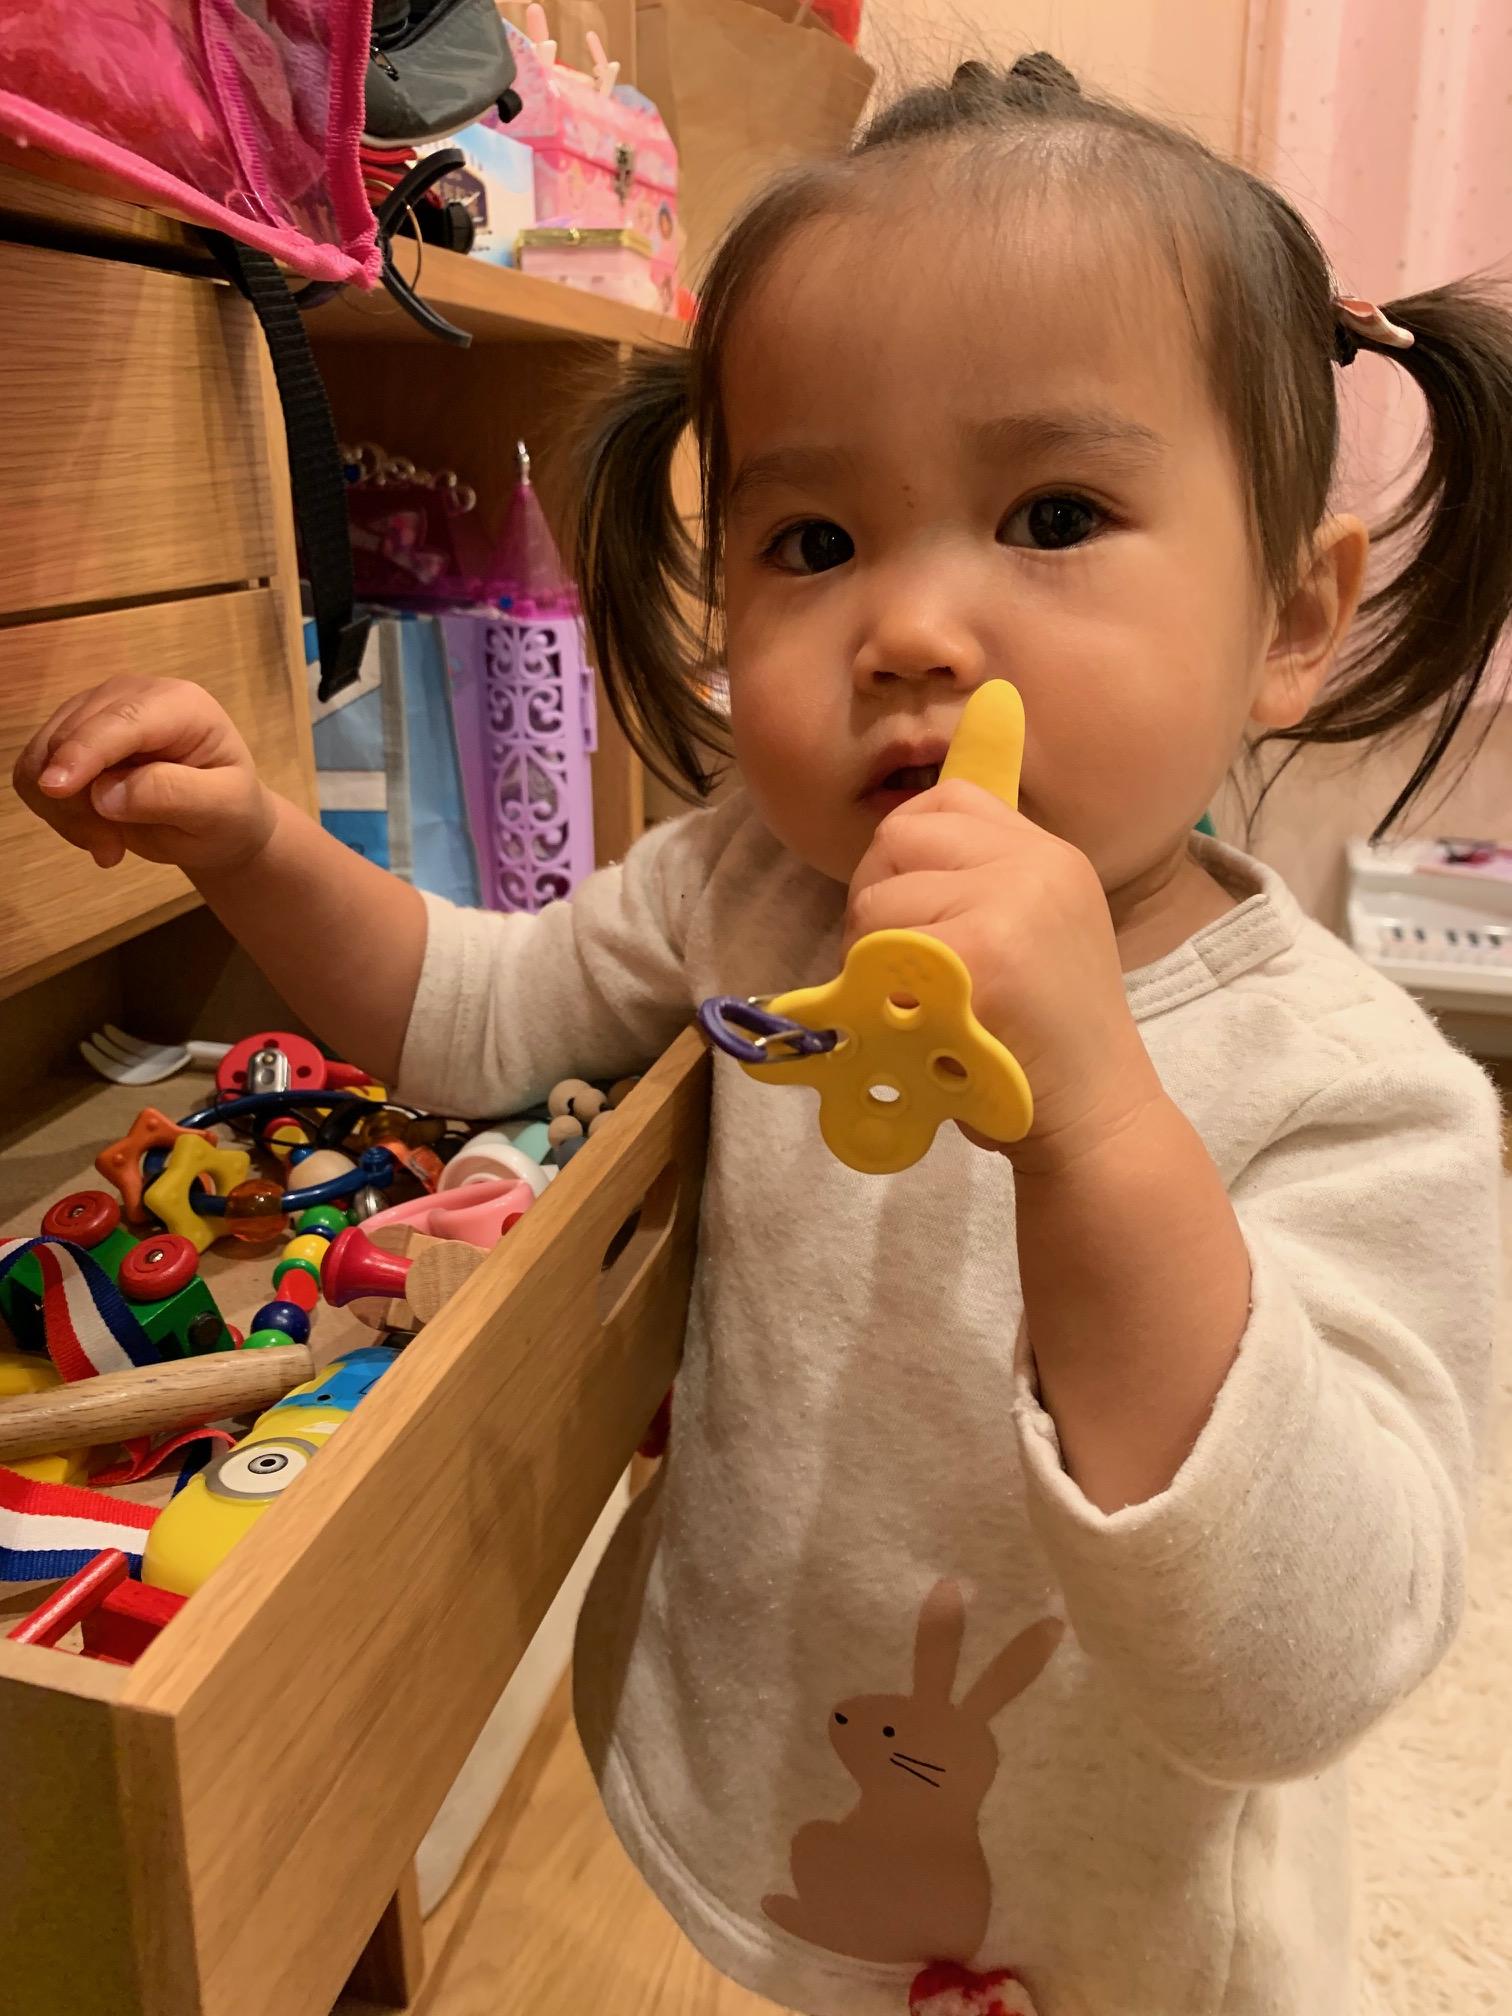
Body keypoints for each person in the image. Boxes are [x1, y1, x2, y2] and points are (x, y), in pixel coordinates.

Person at [14, 53, 1509, 2016]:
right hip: (784, 1794)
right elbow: (474, 1017)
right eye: (812, 542)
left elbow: (1297, 1674)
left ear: (1294, 618)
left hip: (1123, 1937)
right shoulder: (753, 881)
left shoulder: (1362, 1094)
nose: (910, 630)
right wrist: (256, 849)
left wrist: (1096, 1119)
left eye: (1054, 512)